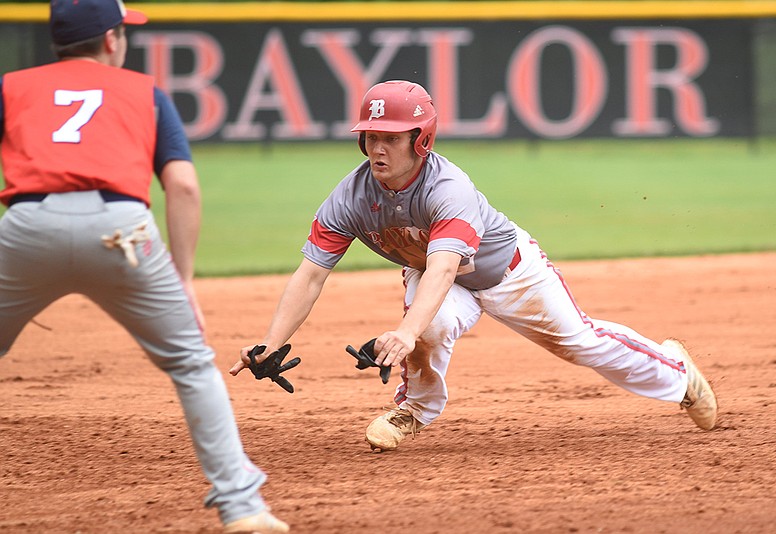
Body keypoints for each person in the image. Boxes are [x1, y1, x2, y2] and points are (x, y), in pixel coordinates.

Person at [230, 80, 718, 452]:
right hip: (436, 275)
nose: (377, 147)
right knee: (432, 325)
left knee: (580, 343)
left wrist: (403, 331)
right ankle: (413, 411)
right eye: (370, 136)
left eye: (391, 138)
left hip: (509, 272)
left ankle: (677, 374)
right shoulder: (351, 197)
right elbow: (312, 273)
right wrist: (269, 343)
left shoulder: (449, 189)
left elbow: (445, 268)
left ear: (421, 140)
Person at [0, 1, 288, 531]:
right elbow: (182, 186)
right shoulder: (144, 92)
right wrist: (183, 282)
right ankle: (244, 508)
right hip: (123, 232)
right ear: (111, 40)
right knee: (191, 364)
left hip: (27, 225)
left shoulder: (12, 87)